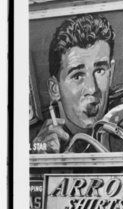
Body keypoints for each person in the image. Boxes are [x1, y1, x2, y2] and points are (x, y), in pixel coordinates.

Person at [30, 13, 115, 153]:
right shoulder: (31, 138)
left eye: (100, 71)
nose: (92, 88)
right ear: (54, 89)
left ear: (111, 73)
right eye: (77, 76)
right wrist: (39, 160)